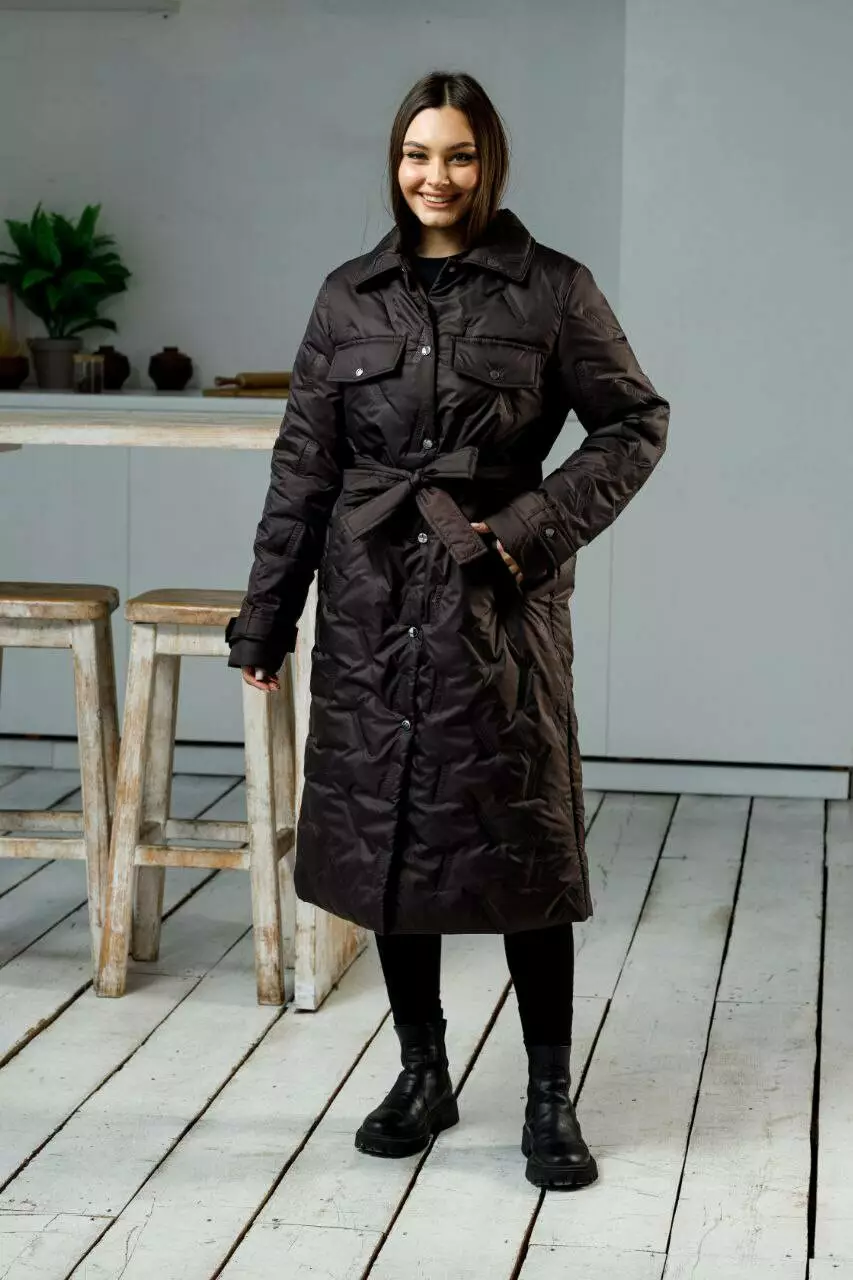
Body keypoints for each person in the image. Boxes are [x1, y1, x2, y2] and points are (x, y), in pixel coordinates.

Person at [226, 69, 670, 1191]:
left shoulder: (551, 289)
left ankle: (548, 1093)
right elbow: (304, 467)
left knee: (524, 842)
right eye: (419, 154)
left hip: (495, 605)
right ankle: (422, 1072)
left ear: (490, 163)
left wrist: (523, 531)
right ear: (396, 162)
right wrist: (265, 618)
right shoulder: (348, 297)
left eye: (459, 155)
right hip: (371, 599)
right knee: (388, 838)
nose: (437, 176)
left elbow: (632, 423)